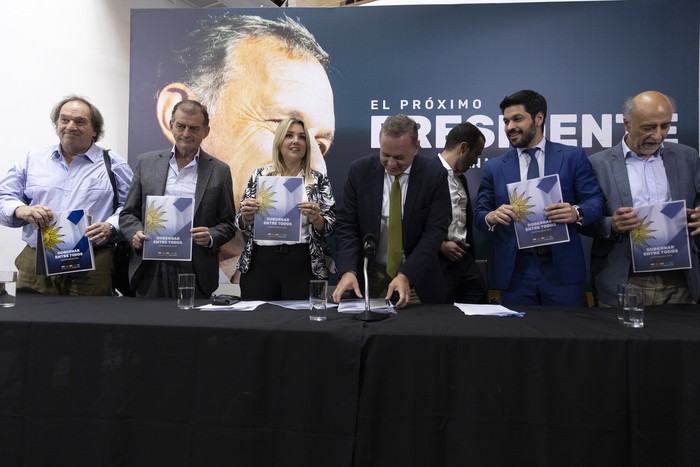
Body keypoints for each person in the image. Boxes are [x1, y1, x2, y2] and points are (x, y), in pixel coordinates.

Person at [154, 14, 335, 280]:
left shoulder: (313, 187)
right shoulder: (151, 170)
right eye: (280, 125)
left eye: (320, 142)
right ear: (175, 111)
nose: (316, 162)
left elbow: (329, 227)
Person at [474, 90, 604, 306]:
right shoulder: (494, 167)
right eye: (506, 121)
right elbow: (480, 215)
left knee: (567, 336)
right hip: (515, 271)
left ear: (539, 118)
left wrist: (575, 212)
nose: (509, 127)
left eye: (517, 119)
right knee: (518, 337)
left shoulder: (573, 157)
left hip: (561, 268)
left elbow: (596, 203)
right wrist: (492, 216)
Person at [0, 95, 133, 295]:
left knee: (88, 324)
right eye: (64, 120)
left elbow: (132, 208)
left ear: (95, 130)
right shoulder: (32, 159)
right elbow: (4, 196)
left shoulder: (114, 164)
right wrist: (22, 210)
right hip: (36, 262)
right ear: (57, 124)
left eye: (80, 121)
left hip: (93, 264)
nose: (70, 126)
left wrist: (110, 226)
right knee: (31, 323)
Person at [582, 91, 700, 306]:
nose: (657, 135)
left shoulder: (688, 156)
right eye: (648, 128)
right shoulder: (597, 164)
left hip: (680, 279)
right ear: (627, 124)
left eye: (665, 126)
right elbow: (583, 221)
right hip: (624, 279)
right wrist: (612, 224)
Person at [332, 114, 451, 309]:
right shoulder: (359, 171)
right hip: (370, 276)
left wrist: (407, 274)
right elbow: (346, 225)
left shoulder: (434, 175)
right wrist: (348, 270)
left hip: (416, 278)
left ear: (416, 147)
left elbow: (435, 232)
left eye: (399, 157)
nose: (392, 164)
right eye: (385, 155)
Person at [120, 100, 236, 298]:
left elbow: (228, 223)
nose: (186, 134)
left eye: (194, 128)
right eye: (181, 126)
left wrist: (210, 237)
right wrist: (136, 233)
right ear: (171, 124)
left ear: (206, 132)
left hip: (195, 266)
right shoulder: (146, 163)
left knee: (191, 327)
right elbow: (129, 213)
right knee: (149, 326)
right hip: (150, 265)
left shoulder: (220, 170)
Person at [236, 118, 336, 300]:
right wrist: (246, 216)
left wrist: (317, 219)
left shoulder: (319, 180)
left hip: (302, 261)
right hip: (261, 261)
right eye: (289, 135)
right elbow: (239, 222)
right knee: (258, 320)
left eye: (301, 137)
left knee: (300, 323)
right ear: (279, 141)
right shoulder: (259, 175)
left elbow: (331, 227)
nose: (296, 141)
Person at [437, 122, 488, 304]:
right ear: (463, 147)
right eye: (476, 154)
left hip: (464, 257)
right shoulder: (426, 173)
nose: (475, 161)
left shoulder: (462, 178)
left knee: (479, 297)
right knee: (443, 316)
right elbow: (411, 219)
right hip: (438, 261)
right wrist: (440, 244)